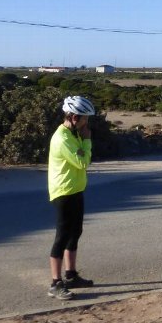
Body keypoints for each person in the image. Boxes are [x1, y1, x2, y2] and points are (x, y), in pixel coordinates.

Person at [47, 95, 96, 300]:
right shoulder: (64, 138)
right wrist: (87, 141)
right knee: (62, 236)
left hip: (75, 190)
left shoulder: (72, 133)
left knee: (75, 232)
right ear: (75, 117)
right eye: (85, 118)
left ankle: (71, 274)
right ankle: (55, 283)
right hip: (64, 191)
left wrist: (83, 140)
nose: (87, 123)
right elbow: (83, 163)